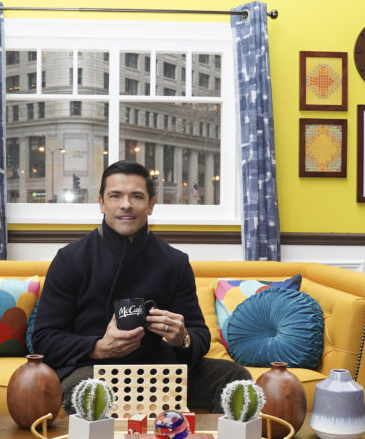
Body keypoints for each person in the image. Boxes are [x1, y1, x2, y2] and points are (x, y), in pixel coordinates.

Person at [32, 160, 251, 413]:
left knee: (234, 379)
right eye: (116, 196)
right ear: (102, 203)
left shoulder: (174, 262)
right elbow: (44, 339)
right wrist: (98, 348)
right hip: (94, 372)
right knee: (88, 392)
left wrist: (183, 338)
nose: (126, 204)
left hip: (163, 371)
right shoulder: (70, 259)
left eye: (136, 196)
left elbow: (198, 334)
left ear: (151, 205)